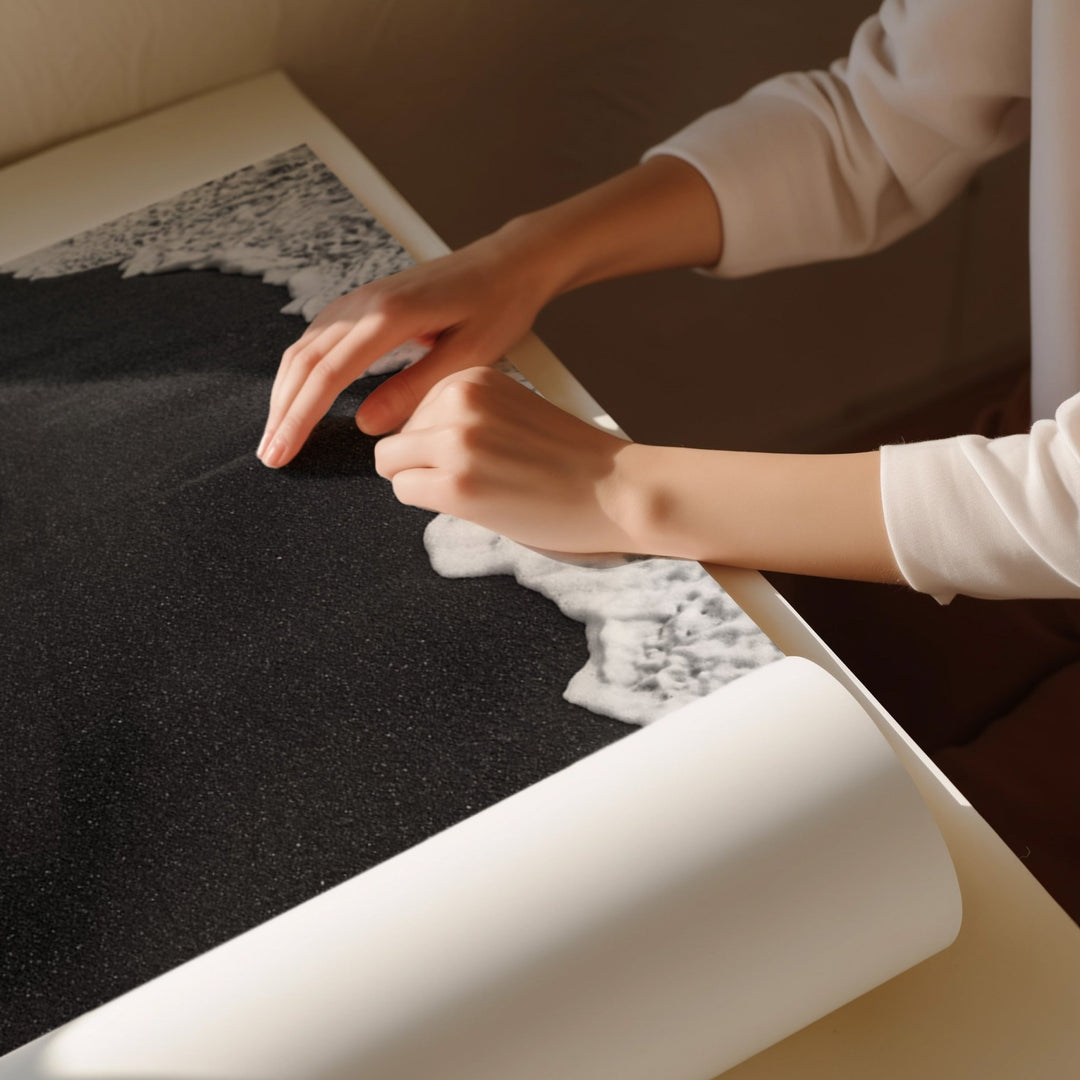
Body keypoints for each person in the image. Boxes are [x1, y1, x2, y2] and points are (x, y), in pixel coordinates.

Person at [259, 0, 1080, 908]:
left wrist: (618, 484)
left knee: (881, 905)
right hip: (1032, 459)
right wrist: (525, 258)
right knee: (767, 748)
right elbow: (891, 121)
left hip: (1051, 496)